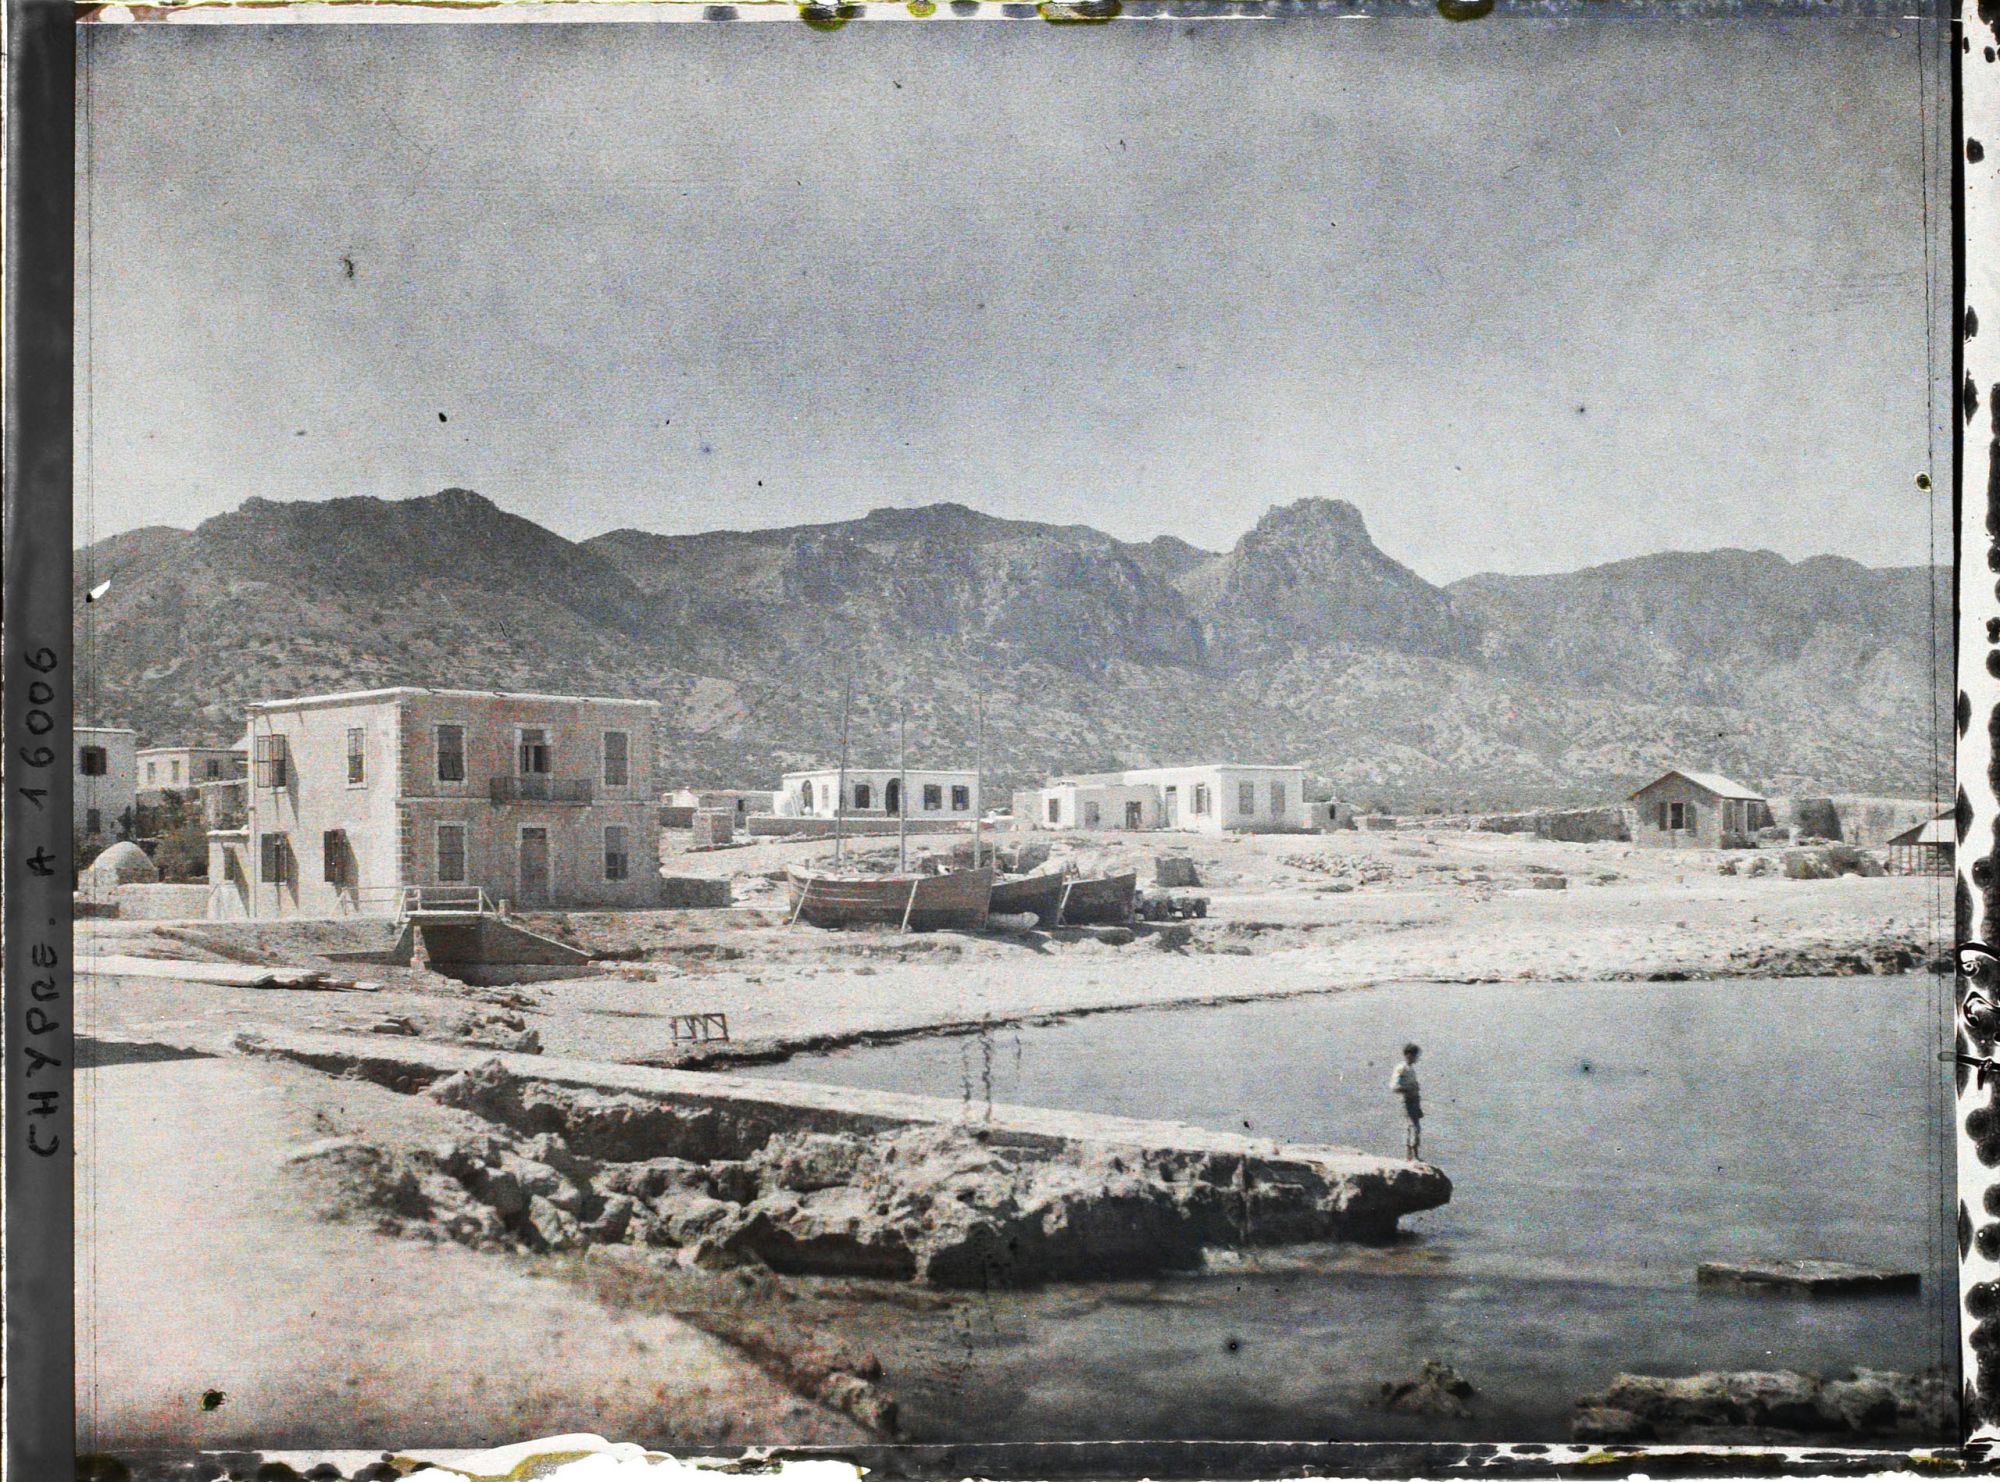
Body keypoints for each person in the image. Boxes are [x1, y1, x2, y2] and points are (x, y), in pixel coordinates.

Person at [1390, 1043, 1423, 1159]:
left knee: (1415, 1127)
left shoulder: (1411, 1069)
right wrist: (1408, 1090)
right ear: (1408, 1055)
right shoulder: (1401, 1068)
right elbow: (1394, 1086)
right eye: (1415, 1055)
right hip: (1407, 1100)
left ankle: (1414, 1156)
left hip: (1414, 1101)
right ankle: (1410, 1156)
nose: (1416, 1058)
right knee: (1412, 1127)